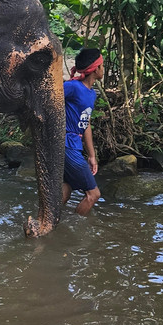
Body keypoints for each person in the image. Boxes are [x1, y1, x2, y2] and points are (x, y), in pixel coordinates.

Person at [62, 48, 103, 214]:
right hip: (67, 146)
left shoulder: (91, 94)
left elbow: (86, 124)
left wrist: (92, 156)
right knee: (93, 194)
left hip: (74, 146)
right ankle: (72, 228)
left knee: (66, 188)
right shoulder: (72, 87)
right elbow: (49, 98)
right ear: (95, 69)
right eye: (102, 65)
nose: (103, 69)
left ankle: (48, 226)